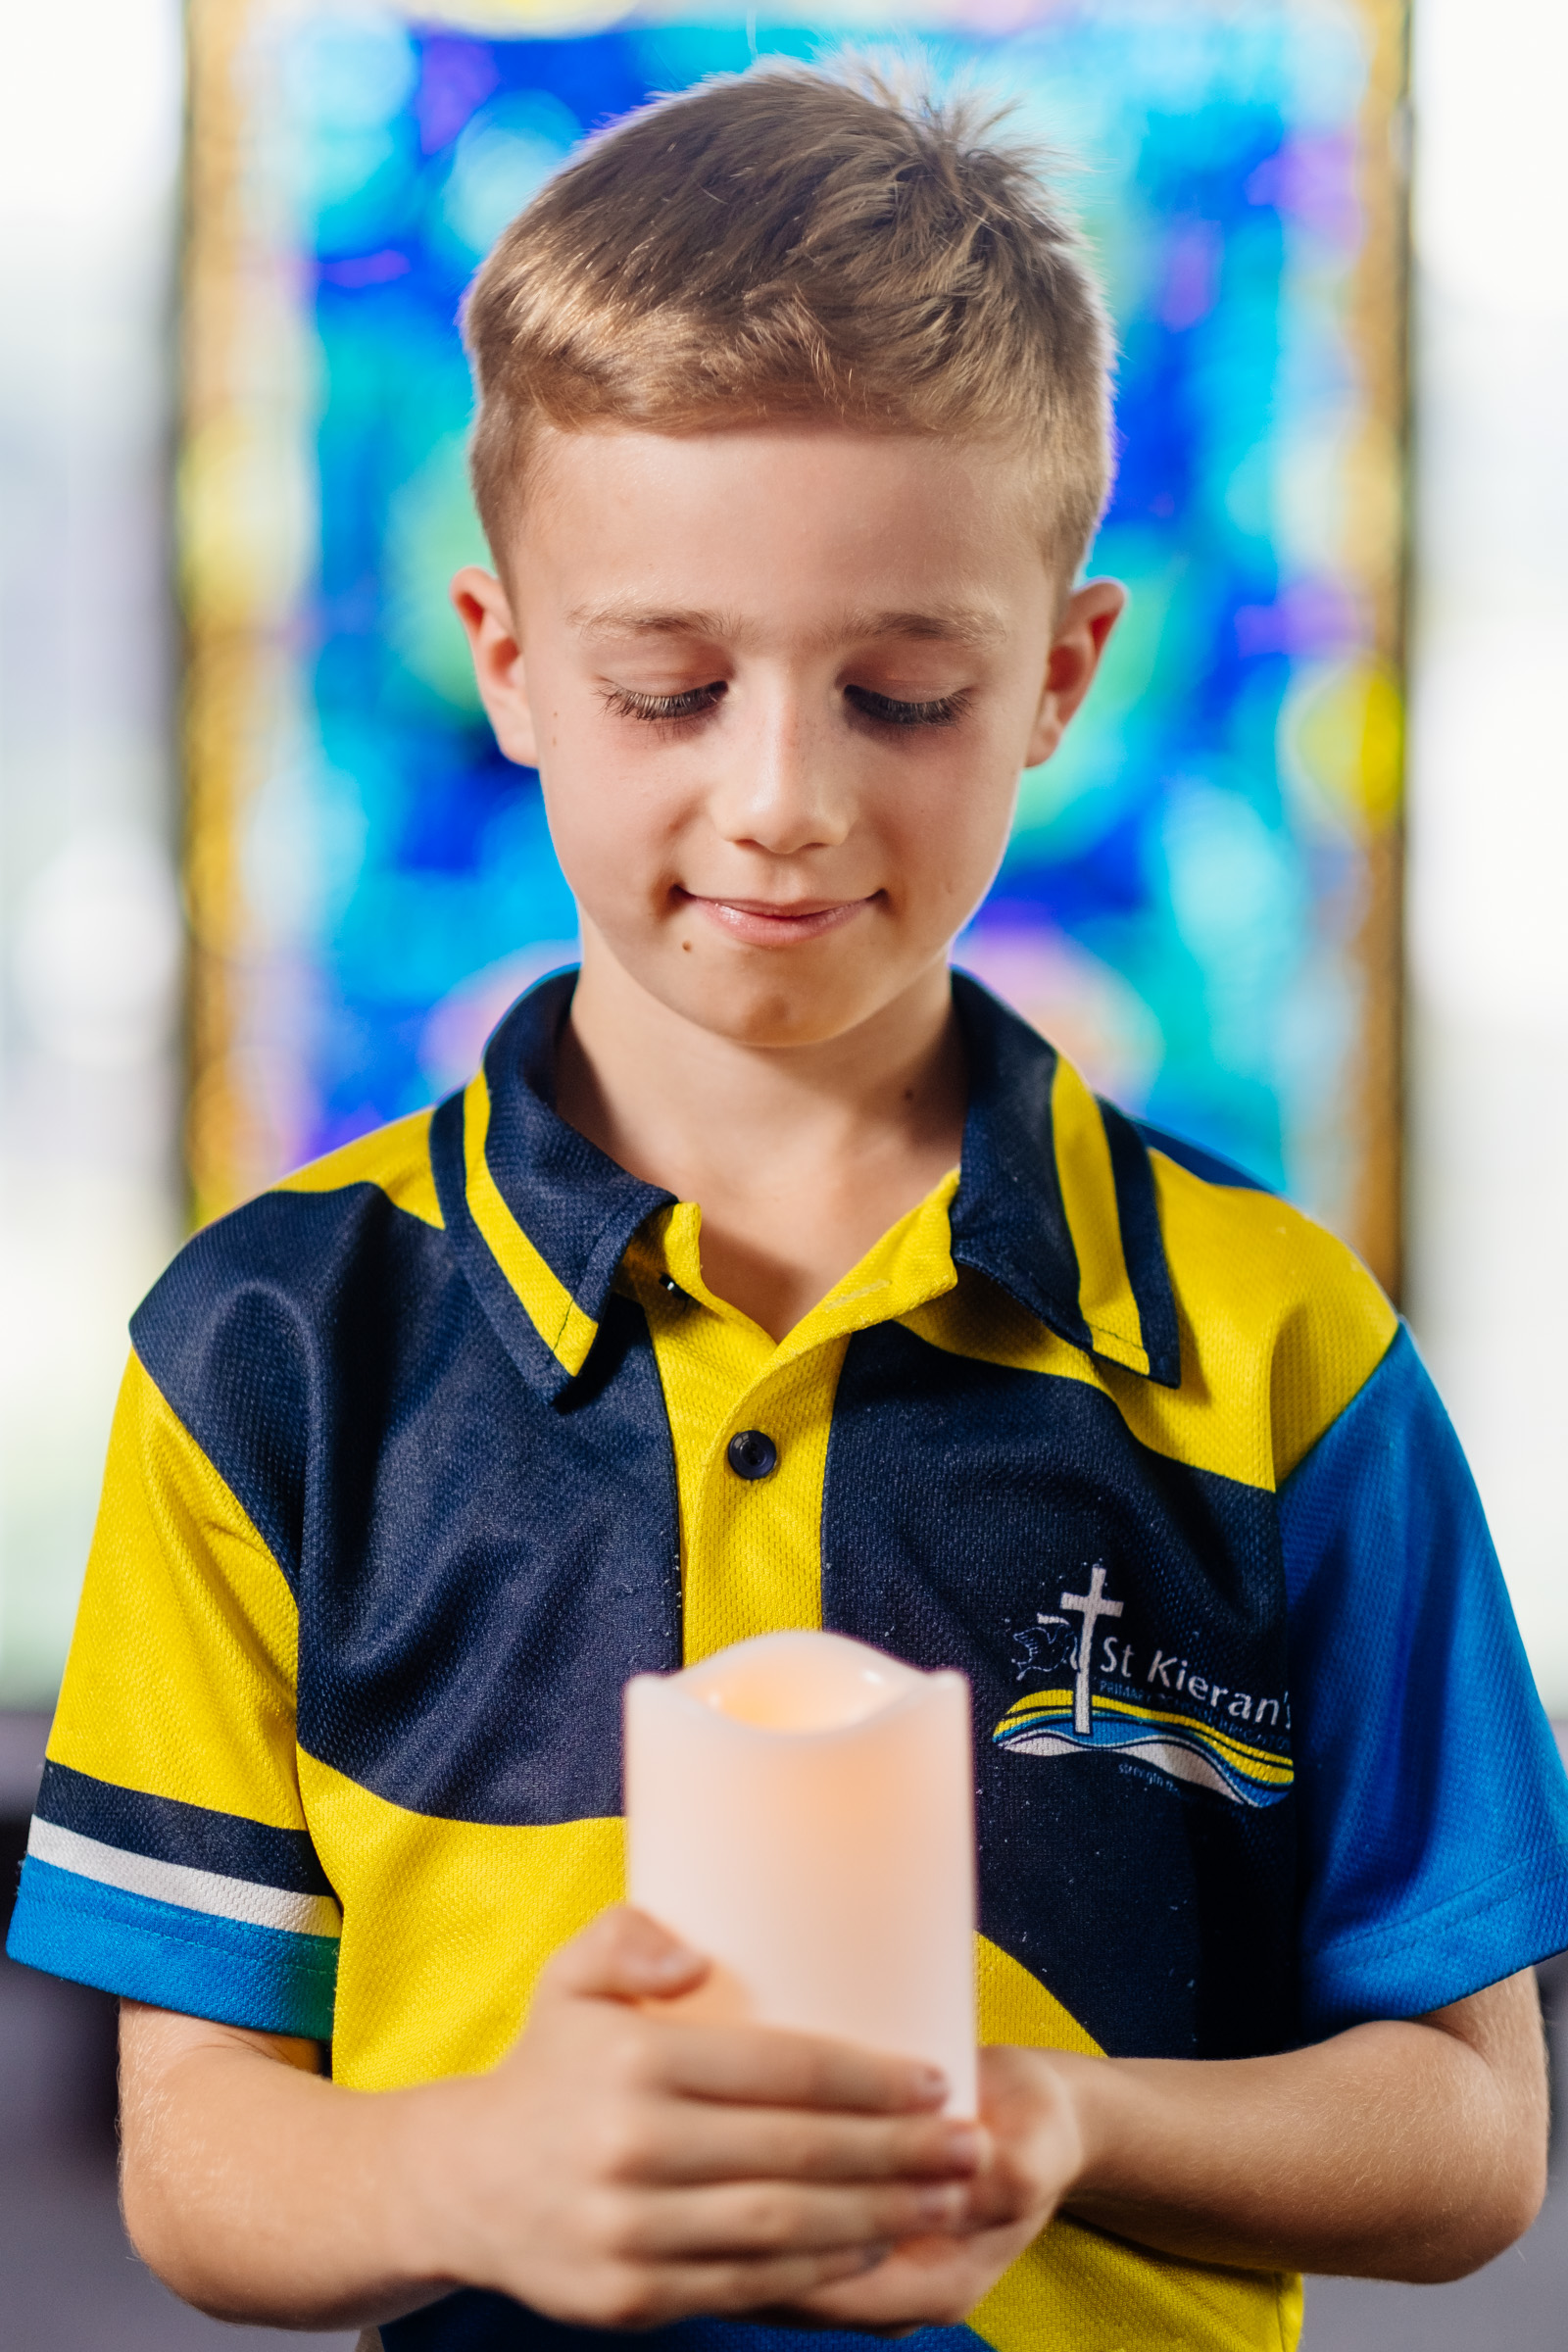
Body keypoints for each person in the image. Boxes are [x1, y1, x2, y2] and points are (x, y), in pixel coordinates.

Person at [9, 58, 1568, 2352]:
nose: (781, 803)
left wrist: (1056, 2115)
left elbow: (1467, 2141)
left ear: (1056, 677)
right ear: (508, 664)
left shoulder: (1274, 1340)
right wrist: (480, 2165)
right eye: (667, 686)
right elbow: (197, 2160)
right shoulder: (274, 1345)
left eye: (901, 694)